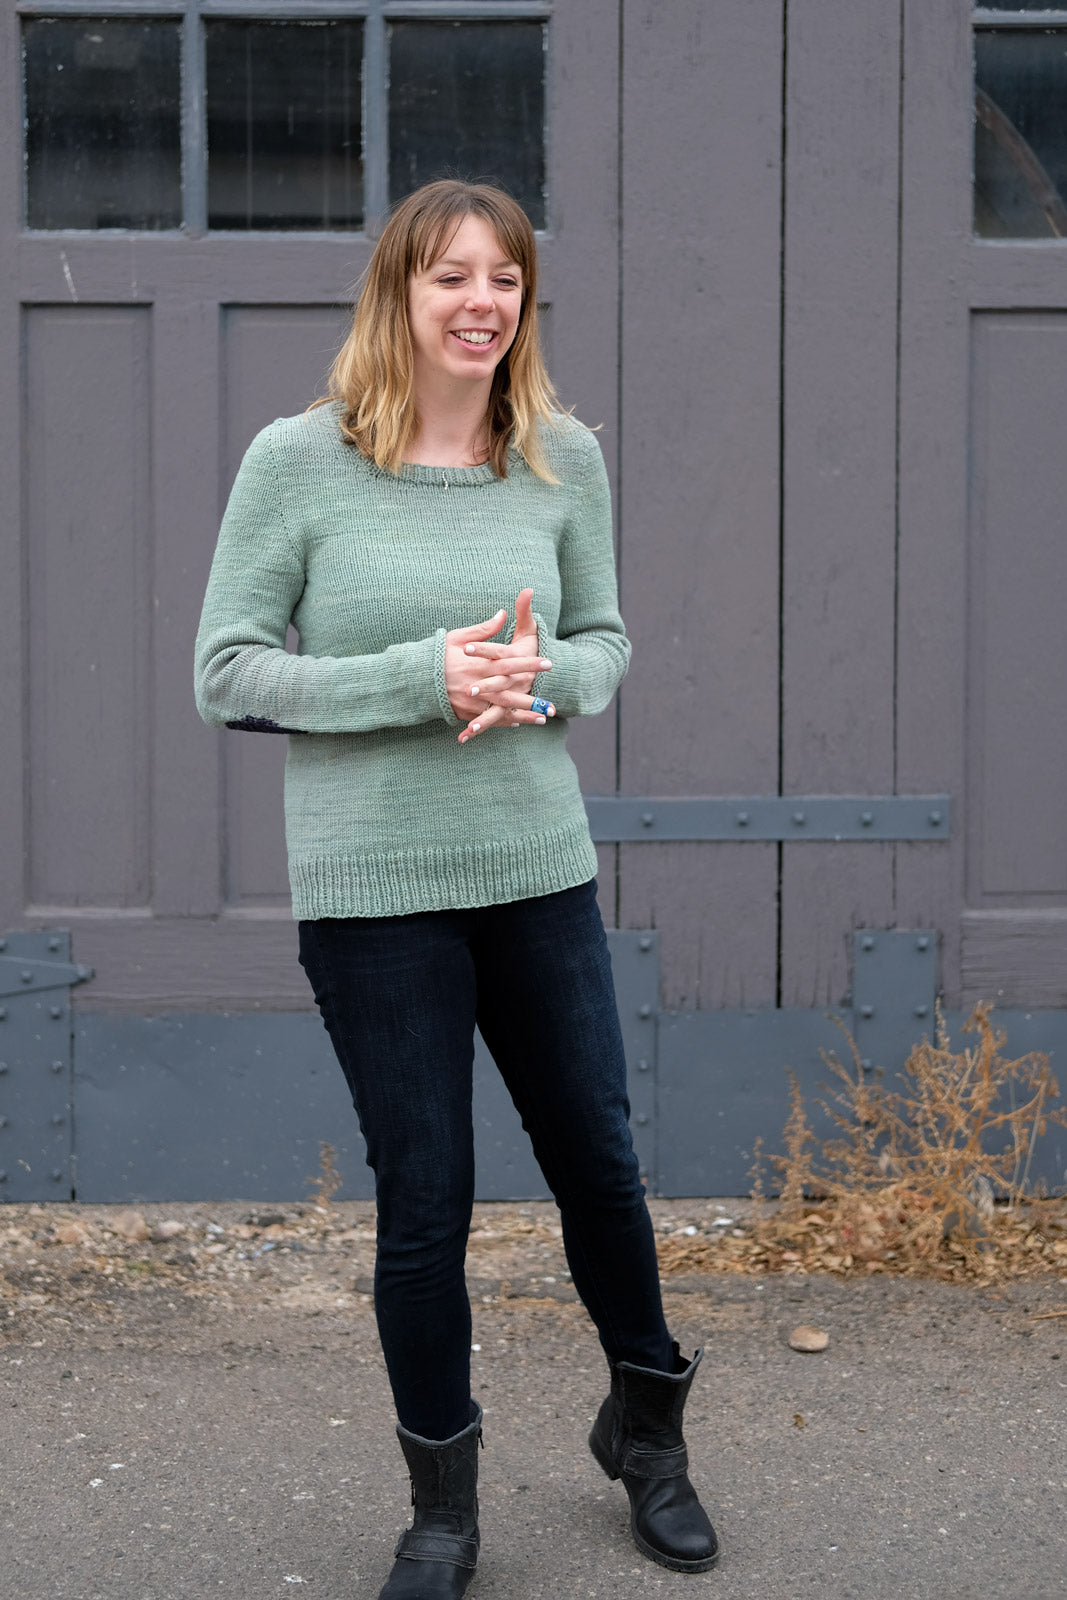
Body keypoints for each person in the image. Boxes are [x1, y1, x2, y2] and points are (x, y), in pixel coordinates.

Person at [194, 179, 718, 1598]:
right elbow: (227, 670)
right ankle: (442, 1506)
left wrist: (544, 683)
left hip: (536, 871)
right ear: (398, 296)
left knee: (599, 1167)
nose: (481, 302)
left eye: (505, 279)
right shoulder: (298, 463)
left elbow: (605, 640)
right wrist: (415, 678)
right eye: (450, 278)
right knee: (426, 1199)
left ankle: (650, 1436)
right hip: (373, 894)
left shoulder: (559, 457)